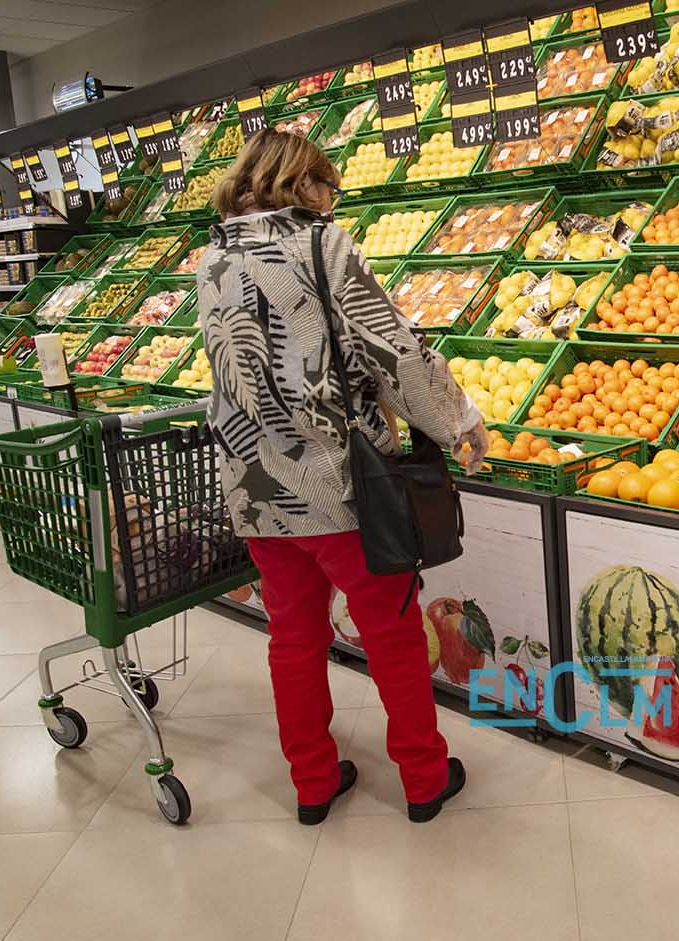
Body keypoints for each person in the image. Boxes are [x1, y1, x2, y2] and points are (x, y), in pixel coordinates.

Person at [196, 129, 489, 825]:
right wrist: (458, 419)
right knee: (390, 632)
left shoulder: (212, 256)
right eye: (328, 185)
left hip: (257, 486)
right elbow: (393, 350)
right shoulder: (321, 244)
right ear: (302, 182)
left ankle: (313, 783)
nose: (331, 199)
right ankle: (423, 778)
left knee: (293, 639)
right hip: (340, 484)